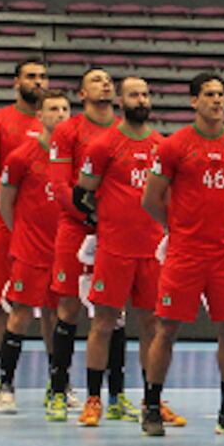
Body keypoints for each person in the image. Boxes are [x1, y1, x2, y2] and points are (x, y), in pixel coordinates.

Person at [140, 73, 224, 436]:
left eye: (221, 94)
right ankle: (152, 405)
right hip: (186, 252)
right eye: (209, 94)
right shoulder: (174, 146)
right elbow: (150, 199)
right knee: (166, 328)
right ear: (194, 101)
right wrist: (177, 227)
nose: (217, 100)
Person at [71, 77, 163, 427]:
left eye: (145, 94)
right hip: (114, 249)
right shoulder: (104, 145)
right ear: (121, 102)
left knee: (152, 325)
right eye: (134, 95)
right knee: (103, 323)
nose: (142, 100)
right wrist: (106, 221)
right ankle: (94, 399)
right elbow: (82, 193)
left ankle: (152, 401)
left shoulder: (161, 145)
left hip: (152, 250)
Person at [34, 68, 124, 417]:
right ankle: (58, 389)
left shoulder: (123, 130)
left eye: (108, 80)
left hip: (114, 234)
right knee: (68, 308)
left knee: (113, 311)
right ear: (82, 94)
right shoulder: (68, 131)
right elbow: (60, 187)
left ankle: (115, 396)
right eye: (96, 80)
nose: (106, 84)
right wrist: (92, 217)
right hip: (76, 229)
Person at [0, 90, 71, 416]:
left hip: (63, 250)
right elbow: (4, 202)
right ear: (39, 116)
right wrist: (22, 235)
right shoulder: (21, 157)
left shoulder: (74, 156)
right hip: (30, 251)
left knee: (58, 316)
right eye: (53, 109)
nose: (61, 114)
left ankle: (58, 386)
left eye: (65, 109)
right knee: (21, 314)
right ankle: (5, 386)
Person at [0, 58, 47, 403]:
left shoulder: (58, 126)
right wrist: (13, 200)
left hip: (45, 229)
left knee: (53, 305)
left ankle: (57, 384)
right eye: (31, 76)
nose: (38, 82)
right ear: (16, 82)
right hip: (6, 224)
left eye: (43, 76)